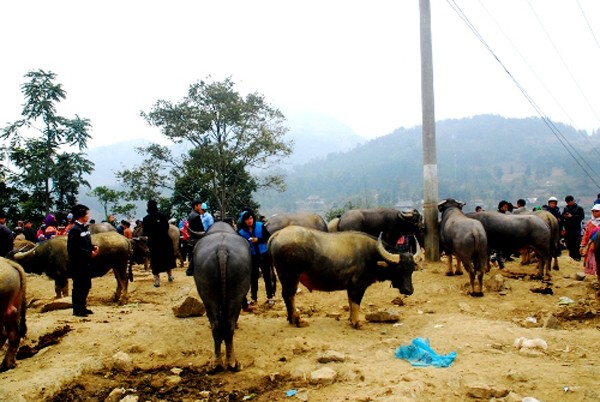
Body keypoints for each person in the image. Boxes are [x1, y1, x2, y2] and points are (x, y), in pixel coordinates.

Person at [238, 209, 275, 308]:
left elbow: (268, 237)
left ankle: (270, 297)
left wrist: (258, 240)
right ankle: (254, 298)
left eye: (251, 218)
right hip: (252, 257)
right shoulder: (241, 232)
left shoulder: (260, 226)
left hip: (264, 254)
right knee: (253, 278)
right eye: (247, 219)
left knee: (267, 276)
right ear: (243, 221)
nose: (250, 221)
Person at [67, 204, 99, 317]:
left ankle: (83, 307)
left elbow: (86, 243)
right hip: (78, 264)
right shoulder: (74, 230)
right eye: (86, 214)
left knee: (86, 285)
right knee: (79, 286)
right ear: (81, 215)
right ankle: (77, 309)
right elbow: (74, 249)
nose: (88, 216)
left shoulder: (84, 228)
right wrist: (89, 253)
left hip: (86, 263)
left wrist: (93, 247)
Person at [143, 200, 176, 287]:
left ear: (148, 207)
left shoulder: (146, 219)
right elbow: (167, 227)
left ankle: (157, 280)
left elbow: (145, 232)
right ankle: (170, 276)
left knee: (155, 260)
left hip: (154, 242)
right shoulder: (163, 216)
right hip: (165, 240)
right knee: (167, 258)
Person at [185, 200, 206, 276]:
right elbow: (200, 228)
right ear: (195, 206)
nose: (201, 207)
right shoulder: (196, 216)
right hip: (196, 237)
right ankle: (190, 270)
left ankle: (191, 270)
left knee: (195, 254)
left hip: (192, 237)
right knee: (197, 254)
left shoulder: (191, 214)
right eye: (200, 205)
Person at [562, 195, 585, 261]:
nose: (568, 203)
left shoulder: (579, 208)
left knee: (576, 243)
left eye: (569, 202)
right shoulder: (566, 208)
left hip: (576, 228)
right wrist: (564, 216)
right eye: (567, 202)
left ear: (572, 201)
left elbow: (581, 217)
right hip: (568, 229)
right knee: (569, 243)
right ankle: (571, 257)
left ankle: (577, 257)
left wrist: (572, 216)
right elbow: (563, 215)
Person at [580, 204, 600, 276]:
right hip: (591, 246)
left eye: (597, 211)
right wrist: (582, 245)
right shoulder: (590, 223)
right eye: (593, 211)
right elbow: (586, 235)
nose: (594, 213)